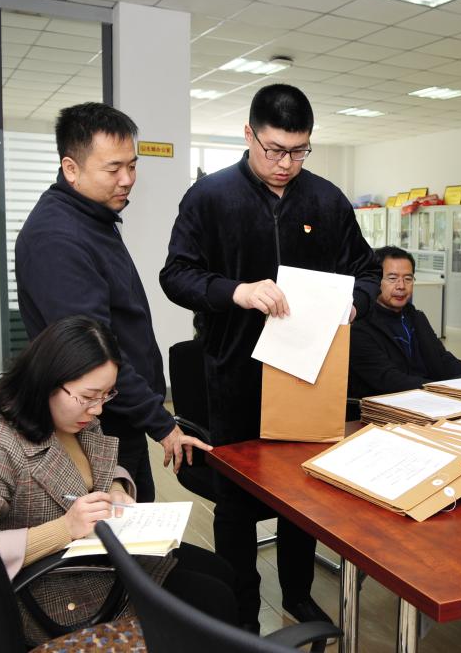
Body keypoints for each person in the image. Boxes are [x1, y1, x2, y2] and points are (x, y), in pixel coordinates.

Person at [160, 84, 379, 631]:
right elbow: (176, 275)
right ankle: (241, 617)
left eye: (299, 151)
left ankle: (298, 597)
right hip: (234, 374)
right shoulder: (210, 197)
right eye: (275, 149)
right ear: (249, 135)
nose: (286, 164)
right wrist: (236, 291)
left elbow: (368, 270)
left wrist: (355, 301)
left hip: (308, 372)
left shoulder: (326, 200)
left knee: (305, 494)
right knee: (236, 504)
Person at [0, 316, 237, 646]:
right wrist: (65, 528)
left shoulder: (74, 417)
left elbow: (93, 471)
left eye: (106, 395)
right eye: (89, 396)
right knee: (213, 598)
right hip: (51, 595)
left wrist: (115, 490)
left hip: (94, 561)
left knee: (221, 572)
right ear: (47, 380)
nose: (98, 409)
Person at [16, 102, 205, 504]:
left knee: (139, 520)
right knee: (121, 530)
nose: (127, 179)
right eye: (113, 169)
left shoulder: (92, 217)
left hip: (119, 414)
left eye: (132, 166)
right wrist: (160, 423)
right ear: (71, 168)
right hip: (96, 423)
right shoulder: (58, 239)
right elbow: (93, 353)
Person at [349, 246, 461, 398]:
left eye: (408, 279)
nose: (401, 286)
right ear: (375, 281)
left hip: (429, 398)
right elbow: (389, 379)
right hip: (389, 404)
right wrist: (443, 389)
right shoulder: (358, 325)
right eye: (392, 278)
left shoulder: (416, 318)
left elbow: (443, 359)